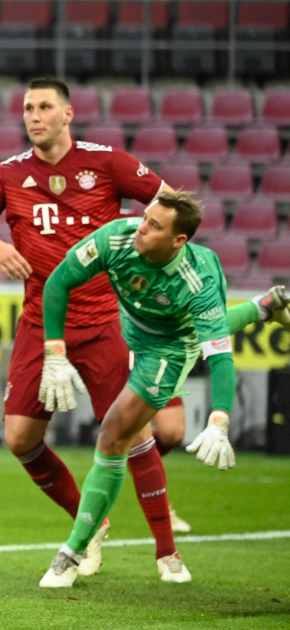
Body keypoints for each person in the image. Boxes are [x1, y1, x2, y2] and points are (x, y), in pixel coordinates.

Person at [0, 77, 184, 579]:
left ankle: (168, 552)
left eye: (45, 107)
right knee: (19, 439)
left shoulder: (109, 162)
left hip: (103, 321)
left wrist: (148, 253)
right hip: (39, 322)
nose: (34, 116)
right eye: (28, 108)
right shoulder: (8, 174)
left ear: (68, 114)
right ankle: (91, 526)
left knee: (132, 431)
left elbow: (172, 207)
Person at [37, 192, 290, 588]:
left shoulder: (200, 277)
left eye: (155, 226)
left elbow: (218, 354)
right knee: (122, 431)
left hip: (170, 350)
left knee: (113, 436)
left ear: (179, 241)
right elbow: (59, 281)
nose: (142, 227)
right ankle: (264, 305)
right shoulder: (117, 238)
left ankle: (72, 551)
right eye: (145, 218)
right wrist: (55, 352)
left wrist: (219, 419)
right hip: (130, 329)